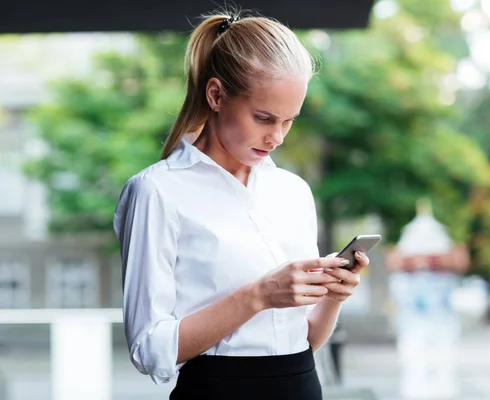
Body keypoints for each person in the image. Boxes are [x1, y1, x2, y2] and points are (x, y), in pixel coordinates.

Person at [112, 9, 370, 400]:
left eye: (289, 121)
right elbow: (149, 350)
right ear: (215, 95)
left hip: (301, 384)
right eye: (264, 118)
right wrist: (259, 294)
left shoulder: (293, 191)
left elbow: (302, 342)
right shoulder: (157, 191)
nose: (278, 137)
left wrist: (333, 295)